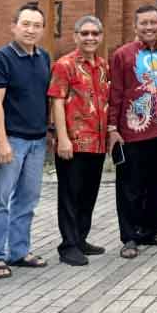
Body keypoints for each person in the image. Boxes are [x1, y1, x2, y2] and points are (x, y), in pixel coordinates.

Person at [0, 2, 51, 278]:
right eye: (26, 24)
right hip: (12, 140)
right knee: (0, 200)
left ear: (43, 29)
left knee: (28, 200)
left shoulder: (44, 57)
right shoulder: (2, 59)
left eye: (36, 25)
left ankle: (19, 251)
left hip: (37, 141)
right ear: (13, 27)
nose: (31, 30)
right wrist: (1, 141)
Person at [109, 5, 157, 258]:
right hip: (132, 132)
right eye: (144, 23)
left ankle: (153, 231)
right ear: (135, 26)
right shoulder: (122, 55)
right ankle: (129, 236)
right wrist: (112, 127)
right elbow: (115, 93)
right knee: (130, 187)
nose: (149, 27)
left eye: (153, 22)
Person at [47, 15, 111, 266]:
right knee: (70, 195)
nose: (90, 38)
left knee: (88, 194)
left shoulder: (103, 66)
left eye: (95, 33)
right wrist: (62, 138)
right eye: (84, 33)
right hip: (73, 142)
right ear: (75, 36)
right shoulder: (64, 65)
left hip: (97, 142)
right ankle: (68, 245)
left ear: (101, 37)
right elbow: (57, 101)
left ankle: (81, 238)